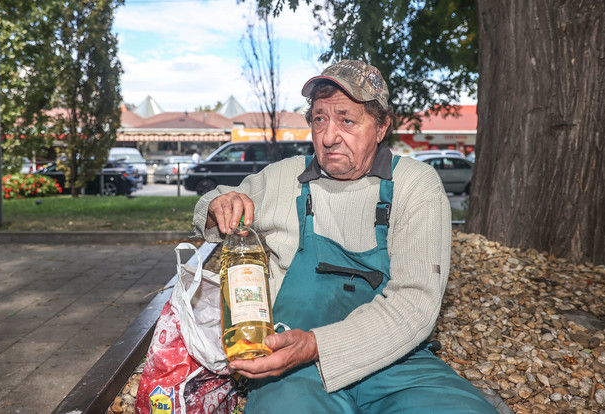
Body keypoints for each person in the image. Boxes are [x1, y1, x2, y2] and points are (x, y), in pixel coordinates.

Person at [193, 59, 497, 413]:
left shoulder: (416, 186)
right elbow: (206, 210)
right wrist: (219, 205)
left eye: (347, 120)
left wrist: (317, 344)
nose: (329, 135)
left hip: (397, 360)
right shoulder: (283, 177)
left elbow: (415, 305)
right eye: (320, 118)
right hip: (294, 368)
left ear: (381, 126)